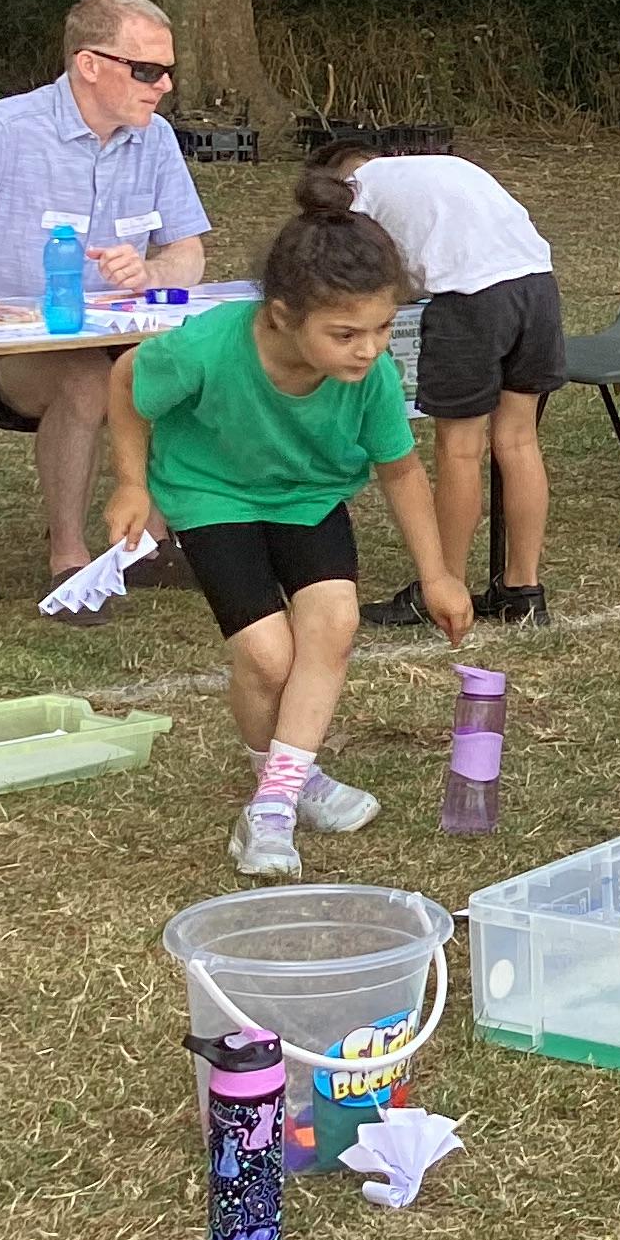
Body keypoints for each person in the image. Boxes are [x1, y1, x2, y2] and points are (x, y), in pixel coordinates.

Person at [102, 170, 473, 880]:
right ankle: (288, 777)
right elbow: (126, 379)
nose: (368, 349)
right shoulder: (209, 347)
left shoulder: (372, 377)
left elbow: (400, 471)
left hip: (309, 497)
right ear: (281, 317)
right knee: (269, 658)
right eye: (346, 334)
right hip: (213, 495)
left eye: (381, 329)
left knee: (334, 624)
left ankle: (273, 802)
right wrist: (130, 483)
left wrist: (437, 575)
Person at [0, 0, 210, 585]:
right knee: (85, 379)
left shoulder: (154, 137)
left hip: (103, 336)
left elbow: (189, 252)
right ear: (89, 64)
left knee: (184, 364)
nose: (163, 86)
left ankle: (150, 544)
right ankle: (70, 562)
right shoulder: (6, 129)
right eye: (147, 70)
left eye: (167, 71)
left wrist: (151, 273)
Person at [311, 143, 564, 630]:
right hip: (537, 286)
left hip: (472, 299)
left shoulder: (359, 192)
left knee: (460, 449)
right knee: (518, 440)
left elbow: (361, 276)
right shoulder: (437, 166)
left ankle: (443, 586)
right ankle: (523, 589)